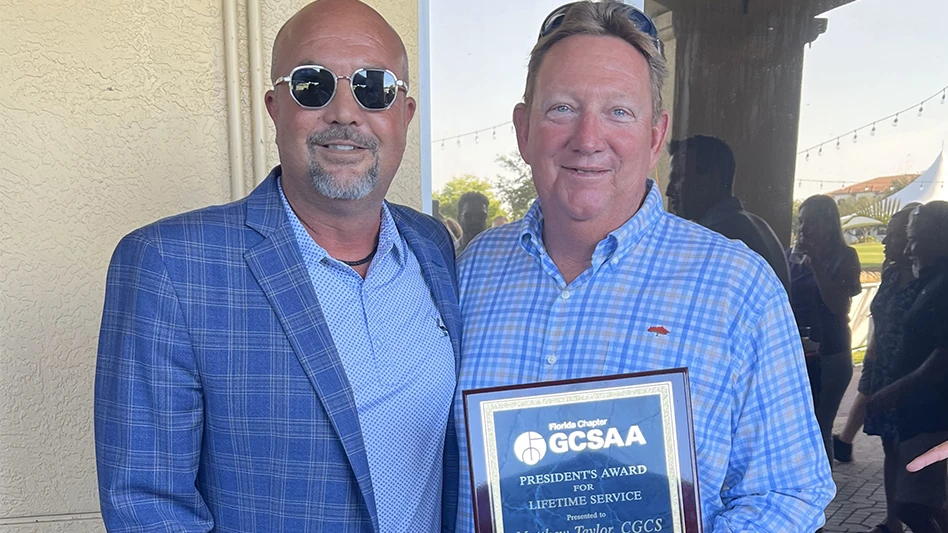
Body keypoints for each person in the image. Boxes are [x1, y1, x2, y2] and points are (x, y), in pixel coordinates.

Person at [454, 3, 833, 531]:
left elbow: (789, 492)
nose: (588, 138)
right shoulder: (469, 274)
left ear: (656, 136)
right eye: (561, 108)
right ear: (523, 130)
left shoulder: (737, 289)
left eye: (619, 111)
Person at [94, 1, 461, 531]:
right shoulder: (168, 267)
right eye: (312, 85)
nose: (344, 112)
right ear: (275, 106)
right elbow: (147, 505)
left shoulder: (432, 246)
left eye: (373, 87)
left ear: (403, 114)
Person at [830, 204, 922, 533]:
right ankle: (892, 518)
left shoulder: (932, 278)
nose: (886, 242)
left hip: (911, 375)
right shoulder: (891, 271)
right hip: (881, 368)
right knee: (889, 446)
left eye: (896, 236)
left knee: (911, 450)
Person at [867, 201, 948, 533]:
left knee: (913, 503)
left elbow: (942, 357)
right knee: (919, 501)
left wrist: (896, 390)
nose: (908, 247)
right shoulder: (928, 279)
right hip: (917, 412)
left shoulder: (944, 285)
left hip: (932, 412)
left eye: (915, 239)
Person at [789, 194, 862, 467]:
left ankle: (822, 494)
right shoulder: (791, 257)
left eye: (812, 222)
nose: (804, 229)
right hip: (798, 353)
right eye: (801, 222)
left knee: (819, 426)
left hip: (831, 354)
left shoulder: (845, 258)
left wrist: (817, 263)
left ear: (829, 225)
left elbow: (838, 306)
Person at [666, 135, 791, 294]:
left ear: (711, 178)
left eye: (678, 178)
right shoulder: (758, 226)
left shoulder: (718, 237)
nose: (669, 191)